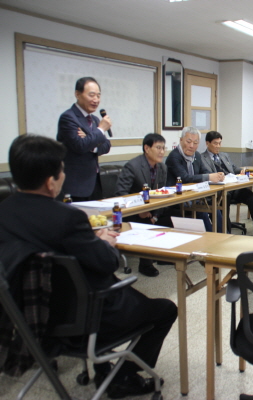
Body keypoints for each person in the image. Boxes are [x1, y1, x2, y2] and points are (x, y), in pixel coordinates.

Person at [0, 135, 177, 399]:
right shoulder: (68, 218)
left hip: (27, 319)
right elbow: (108, 263)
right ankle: (123, 378)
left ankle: (105, 370)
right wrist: (103, 242)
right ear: (50, 182)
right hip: (84, 319)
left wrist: (88, 241)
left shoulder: (4, 212)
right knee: (165, 310)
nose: (64, 175)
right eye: (63, 170)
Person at [115, 133, 179, 277]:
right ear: (147, 148)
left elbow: (161, 193)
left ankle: (163, 255)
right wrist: (139, 211)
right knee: (145, 222)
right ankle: (145, 264)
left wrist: (155, 215)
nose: (162, 152)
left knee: (175, 215)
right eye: (158, 148)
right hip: (131, 212)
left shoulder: (162, 167)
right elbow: (120, 194)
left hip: (151, 210)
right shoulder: (133, 166)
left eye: (163, 148)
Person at [198, 131, 253, 237]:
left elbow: (233, 168)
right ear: (207, 143)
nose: (218, 146)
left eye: (220, 143)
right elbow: (205, 175)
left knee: (251, 197)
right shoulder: (201, 158)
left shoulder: (224, 155)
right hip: (218, 191)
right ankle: (227, 233)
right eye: (215, 143)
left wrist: (241, 171)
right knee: (226, 197)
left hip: (233, 186)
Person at [57, 77, 112, 201]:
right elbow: (80, 146)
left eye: (98, 96)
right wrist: (101, 130)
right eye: (91, 95)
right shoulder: (68, 118)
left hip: (94, 183)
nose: (96, 100)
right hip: (76, 186)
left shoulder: (95, 120)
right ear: (77, 94)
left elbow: (107, 145)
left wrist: (90, 143)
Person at [164, 127, 223, 233]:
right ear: (181, 140)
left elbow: (205, 172)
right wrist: (209, 177)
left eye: (195, 143)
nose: (192, 146)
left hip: (195, 196)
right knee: (202, 211)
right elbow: (185, 178)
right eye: (188, 142)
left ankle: (224, 236)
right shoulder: (174, 157)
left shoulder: (197, 155)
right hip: (178, 199)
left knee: (215, 208)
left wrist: (217, 176)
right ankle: (211, 238)